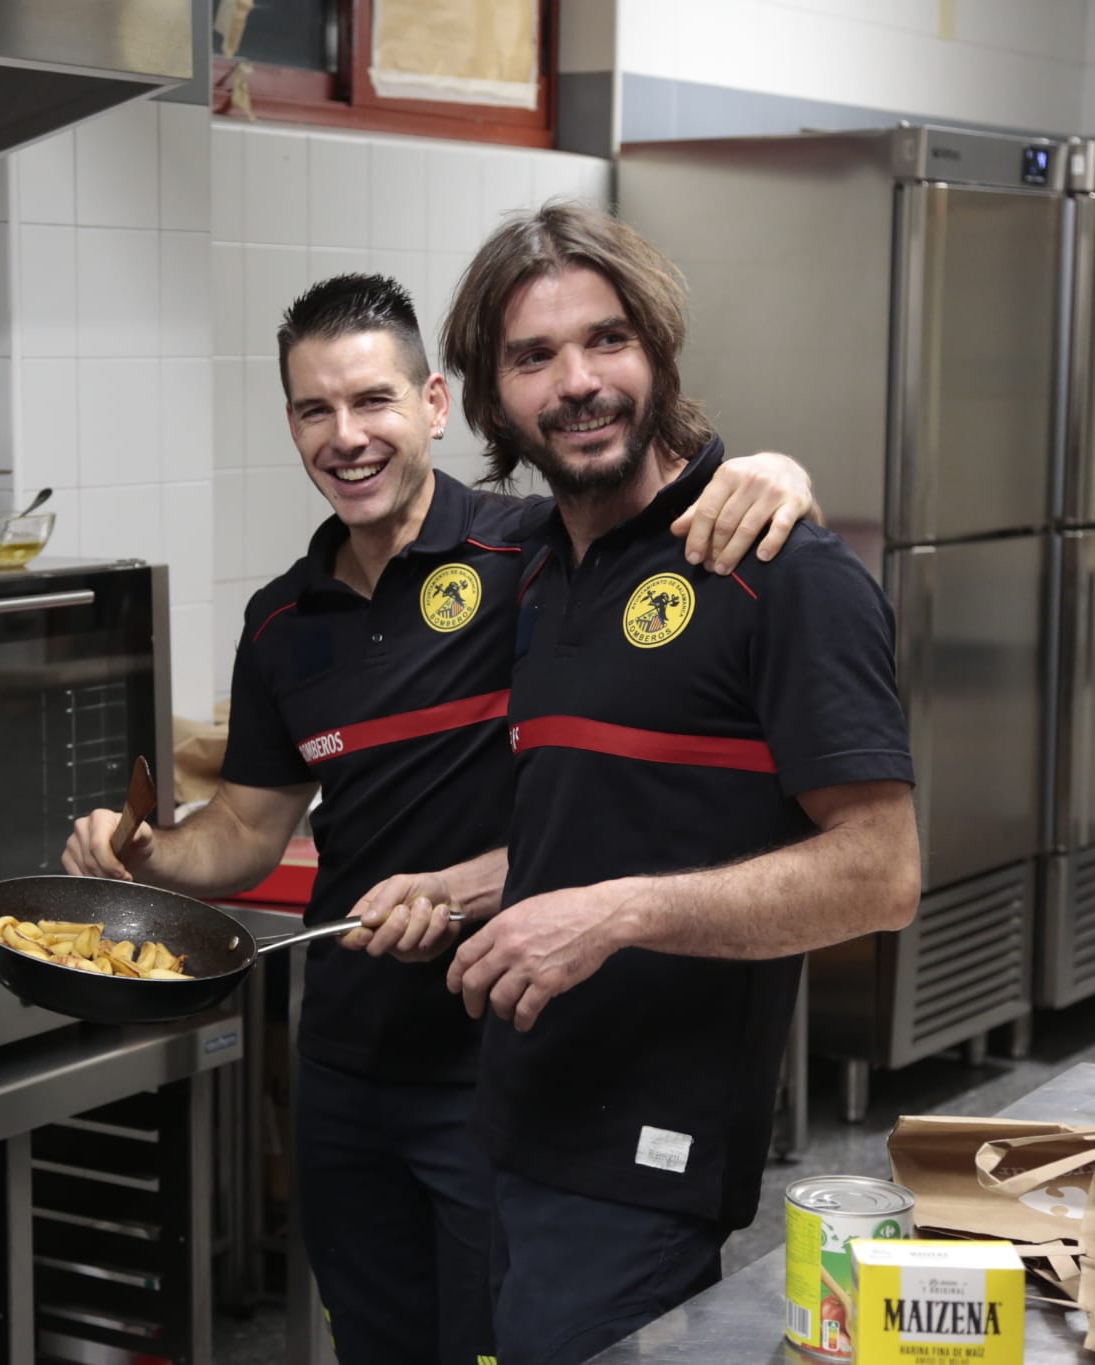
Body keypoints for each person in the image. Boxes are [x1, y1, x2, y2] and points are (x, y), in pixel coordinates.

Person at [61, 274, 822, 1365]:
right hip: (347, 1062)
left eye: (370, 402)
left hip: (508, 1066)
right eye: (313, 411)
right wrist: (144, 856)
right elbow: (244, 831)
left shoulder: (538, 554)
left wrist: (773, 470)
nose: (345, 436)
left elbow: (679, 540)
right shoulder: (282, 622)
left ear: (430, 402)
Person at [357, 205, 920, 1365]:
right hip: (517, 1113)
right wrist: (462, 889)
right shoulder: (542, 573)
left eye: (606, 340)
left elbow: (881, 874)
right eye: (532, 356)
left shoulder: (778, 570)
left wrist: (616, 915)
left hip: (649, 1150)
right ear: (487, 398)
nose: (576, 381)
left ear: (658, 353)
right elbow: (602, 828)